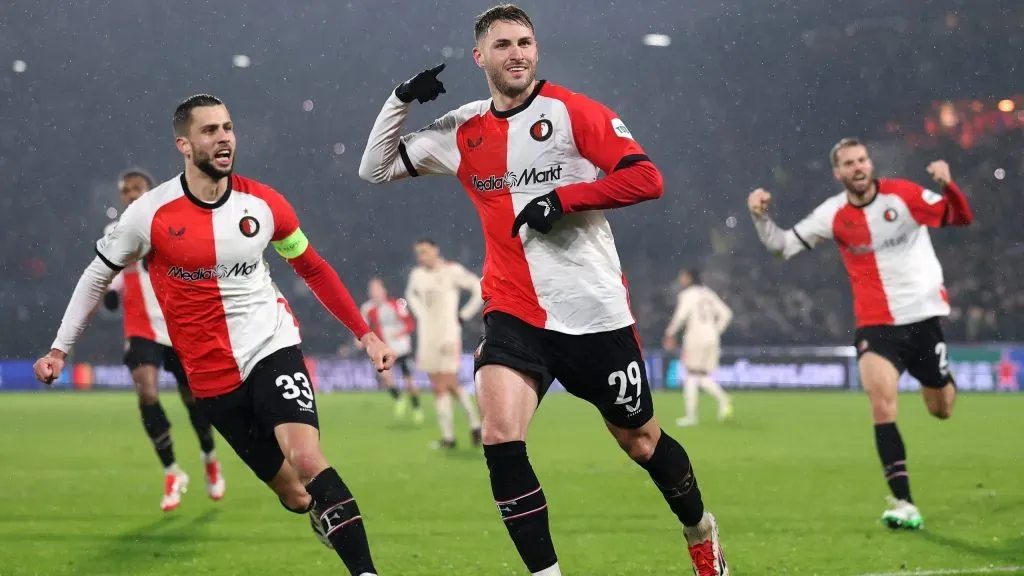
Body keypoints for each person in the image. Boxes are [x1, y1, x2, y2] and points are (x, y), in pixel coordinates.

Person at [359, 4, 728, 574]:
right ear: (480, 57)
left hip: (593, 313)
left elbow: (646, 178)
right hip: (513, 309)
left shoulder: (572, 111)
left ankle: (700, 530)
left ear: (537, 50)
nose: (518, 54)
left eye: (525, 42)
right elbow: (374, 169)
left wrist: (565, 198)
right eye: (503, 45)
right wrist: (400, 98)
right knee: (501, 439)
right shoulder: (463, 128)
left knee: (642, 443)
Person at [34, 94, 394, 576]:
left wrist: (365, 333)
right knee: (295, 494)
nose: (224, 136)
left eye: (228, 127)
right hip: (210, 376)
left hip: (271, 345)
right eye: (210, 130)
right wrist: (60, 348)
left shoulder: (264, 204)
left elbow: (311, 266)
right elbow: (97, 275)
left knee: (307, 457)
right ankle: (319, 513)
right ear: (184, 144)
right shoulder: (149, 213)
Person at [747, 137, 974, 530]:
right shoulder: (832, 214)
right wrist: (759, 217)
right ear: (838, 173)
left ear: (871, 163)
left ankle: (941, 378)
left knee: (941, 408)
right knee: (882, 405)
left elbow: (959, 217)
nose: (858, 167)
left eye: (863, 159)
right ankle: (904, 503)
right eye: (849, 163)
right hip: (876, 325)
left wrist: (947, 186)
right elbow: (782, 247)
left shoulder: (903, 195)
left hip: (923, 319)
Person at [102, 167, 224, 511]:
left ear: (150, 192)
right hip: (140, 329)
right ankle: (172, 471)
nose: (129, 194)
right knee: (147, 394)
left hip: (178, 327)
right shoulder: (114, 232)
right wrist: (111, 293)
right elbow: (110, 276)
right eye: (125, 189)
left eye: (136, 188)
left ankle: (209, 456)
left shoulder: (171, 223)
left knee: (194, 402)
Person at [405, 239, 484, 449]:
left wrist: (464, 315)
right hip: (427, 337)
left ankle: (472, 426)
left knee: (448, 381)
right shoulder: (417, 275)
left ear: (436, 250)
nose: (422, 256)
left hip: (448, 334)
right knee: (438, 385)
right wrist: (420, 313)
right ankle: (452, 435)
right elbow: (410, 295)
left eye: (425, 251)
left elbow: (478, 287)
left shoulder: (452, 270)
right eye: (418, 253)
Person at [662, 268, 733, 427]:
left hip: (695, 337)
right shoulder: (708, 293)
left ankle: (692, 416)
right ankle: (722, 399)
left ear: (688, 278)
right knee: (699, 375)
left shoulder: (687, 295)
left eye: (682, 277)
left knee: (691, 374)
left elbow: (681, 315)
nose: (680, 279)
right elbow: (727, 314)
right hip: (712, 338)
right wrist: (715, 330)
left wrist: (669, 333)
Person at [359, 276, 424, 423]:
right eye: (372, 289)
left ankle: (416, 408)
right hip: (385, 348)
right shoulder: (367, 308)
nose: (374, 292)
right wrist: (359, 340)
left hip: (402, 348)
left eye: (377, 288)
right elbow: (362, 327)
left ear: (384, 290)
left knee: (410, 382)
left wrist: (399, 333)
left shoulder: (396, 304)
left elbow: (410, 324)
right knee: (385, 376)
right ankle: (399, 397)